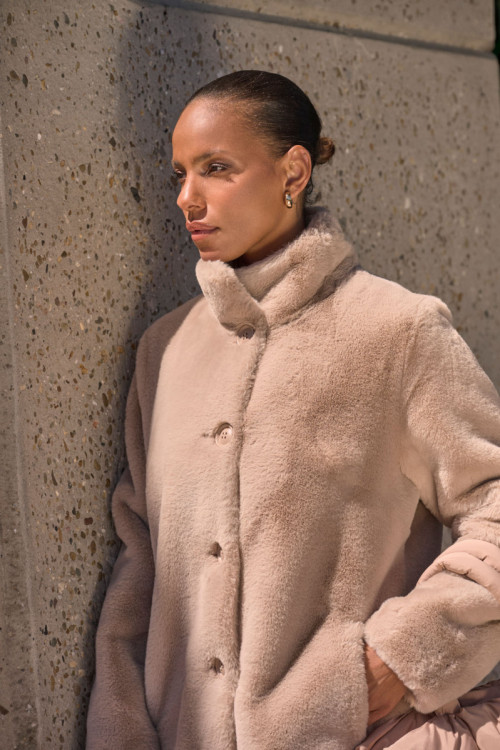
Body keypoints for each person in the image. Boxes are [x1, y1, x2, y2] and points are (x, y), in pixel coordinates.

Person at [86, 70, 500, 749]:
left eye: (216, 168)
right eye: (180, 175)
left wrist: (398, 660)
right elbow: (140, 570)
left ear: (294, 171)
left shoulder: (397, 330)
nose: (188, 197)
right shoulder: (165, 349)